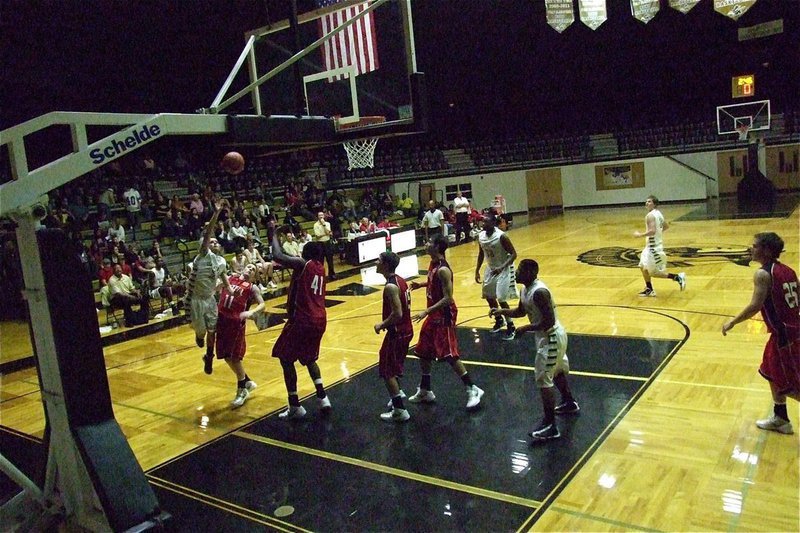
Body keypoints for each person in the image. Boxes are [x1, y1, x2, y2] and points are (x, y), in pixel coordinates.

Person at [490, 259, 578, 443]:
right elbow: (521, 311)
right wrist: (501, 312)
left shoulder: (540, 292)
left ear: (531, 272)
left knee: (543, 378)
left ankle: (550, 425)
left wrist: (525, 329)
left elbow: (549, 322)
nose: (517, 273)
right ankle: (569, 402)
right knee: (558, 370)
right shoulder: (525, 290)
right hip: (547, 336)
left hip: (551, 336)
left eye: (521, 270)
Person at [722, 232, 800, 435]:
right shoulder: (788, 270)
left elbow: (754, 306)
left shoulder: (763, 274)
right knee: (770, 373)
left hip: (786, 337)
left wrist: (732, 321)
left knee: (790, 385)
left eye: (754, 245)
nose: (750, 248)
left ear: (766, 250)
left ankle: (781, 418)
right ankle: (781, 418)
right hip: (784, 334)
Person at [409, 234, 483, 410]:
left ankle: (472, 388)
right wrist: (421, 284)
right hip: (433, 315)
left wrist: (426, 310)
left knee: (449, 354)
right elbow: (433, 283)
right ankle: (425, 389)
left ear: (437, 247)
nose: (426, 244)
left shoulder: (443, 269)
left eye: (429, 242)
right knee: (423, 351)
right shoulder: (433, 264)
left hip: (444, 315)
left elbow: (448, 298)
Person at [269, 221, 332, 419]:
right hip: (319, 319)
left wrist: (274, 233)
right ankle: (322, 397)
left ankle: (295, 405)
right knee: (309, 358)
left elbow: (277, 256)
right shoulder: (321, 268)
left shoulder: (303, 264)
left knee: (285, 357)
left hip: (302, 320)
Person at [185, 202, 232, 375]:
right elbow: (207, 232)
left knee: (213, 330)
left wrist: (231, 290)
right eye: (211, 241)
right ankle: (199, 335)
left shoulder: (221, 261)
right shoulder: (203, 254)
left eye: (215, 241)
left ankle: (209, 356)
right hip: (196, 300)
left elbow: (223, 277)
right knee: (202, 332)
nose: (214, 243)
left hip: (210, 299)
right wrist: (217, 212)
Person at [216, 263, 265, 408]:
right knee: (225, 356)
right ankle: (247, 381)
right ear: (243, 268)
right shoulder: (230, 279)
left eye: (253, 270)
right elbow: (216, 288)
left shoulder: (251, 287)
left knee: (235, 357)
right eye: (249, 267)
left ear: (254, 276)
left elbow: (262, 304)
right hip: (221, 320)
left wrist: (252, 313)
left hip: (235, 322)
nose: (250, 270)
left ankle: (242, 389)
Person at [374, 252, 414, 422]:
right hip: (406, 330)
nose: (376, 262)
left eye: (379, 260)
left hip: (397, 331)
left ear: (385, 265)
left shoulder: (390, 286)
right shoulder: (400, 280)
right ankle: (398, 393)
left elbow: (397, 313)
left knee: (386, 369)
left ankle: (399, 410)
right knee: (394, 365)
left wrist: (382, 324)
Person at [475, 213, 518, 340]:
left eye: (486, 222)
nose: (483, 224)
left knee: (501, 298)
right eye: (482, 222)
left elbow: (514, 254)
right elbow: (481, 254)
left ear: (493, 223)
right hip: (491, 268)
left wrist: (502, 267)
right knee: (488, 296)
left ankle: (511, 326)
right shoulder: (481, 236)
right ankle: (499, 320)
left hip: (504, 268)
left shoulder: (501, 236)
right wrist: (477, 270)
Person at [633, 195, 686, 296]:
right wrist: (658, 234)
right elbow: (666, 226)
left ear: (654, 204)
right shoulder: (658, 214)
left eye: (649, 202)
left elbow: (652, 231)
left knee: (654, 273)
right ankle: (649, 289)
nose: (646, 203)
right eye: (646, 201)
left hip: (653, 248)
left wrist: (640, 235)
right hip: (649, 247)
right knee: (642, 266)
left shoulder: (650, 216)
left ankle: (678, 277)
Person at [313, 211, 337, 280]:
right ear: (318, 217)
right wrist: (326, 233)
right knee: (320, 261)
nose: (321, 217)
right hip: (320, 243)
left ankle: (332, 274)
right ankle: (321, 275)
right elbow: (317, 235)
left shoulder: (327, 223)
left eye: (322, 215)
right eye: (319, 215)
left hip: (327, 243)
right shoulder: (315, 225)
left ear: (324, 216)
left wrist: (324, 225)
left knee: (330, 260)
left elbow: (329, 233)